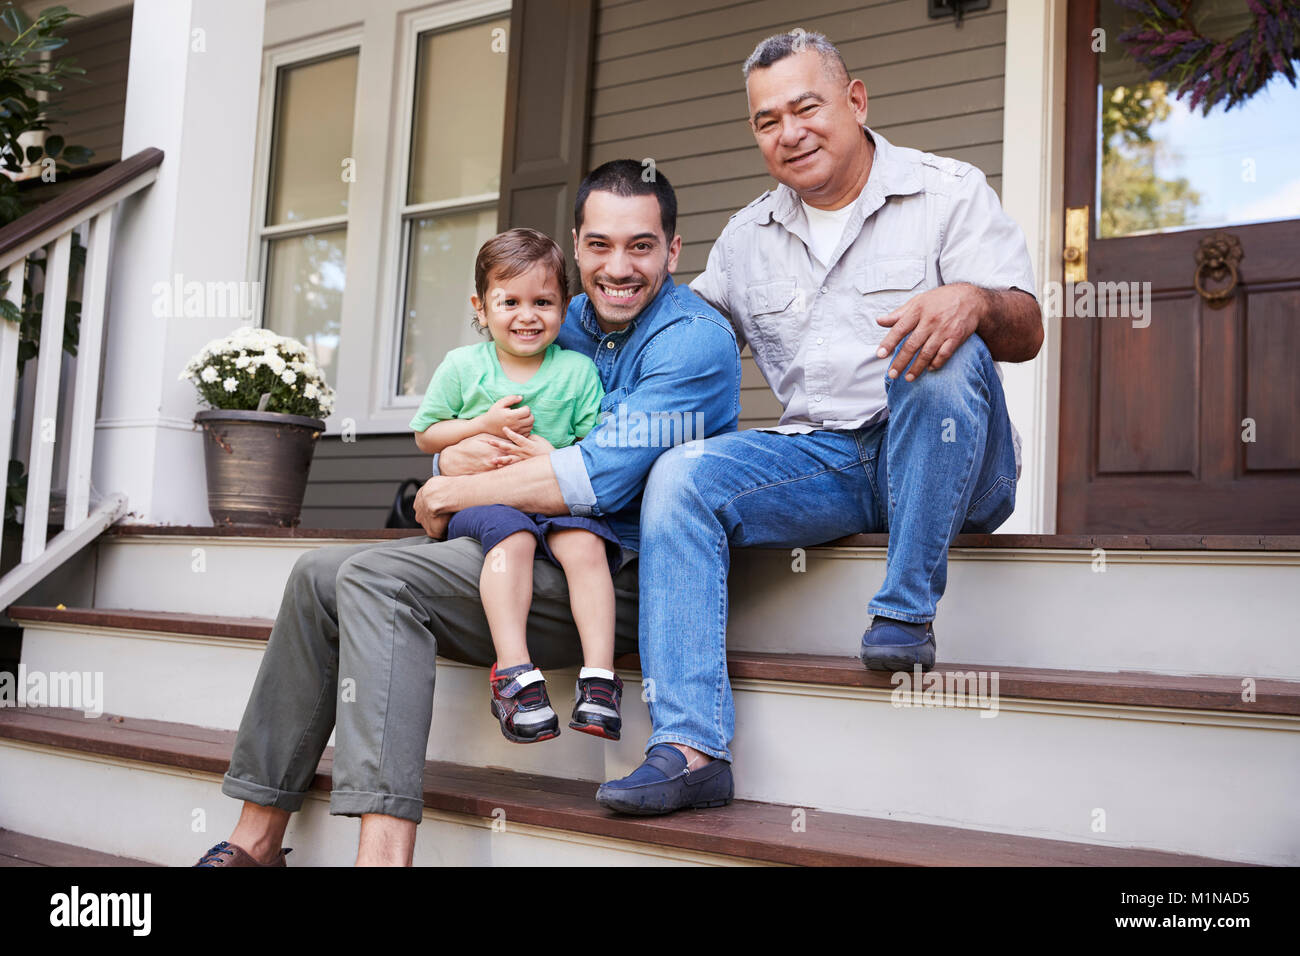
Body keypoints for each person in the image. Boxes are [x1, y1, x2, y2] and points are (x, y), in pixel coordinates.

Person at [195, 160, 739, 866]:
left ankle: (384, 855)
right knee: (314, 575)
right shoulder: (559, 314)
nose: (619, 266)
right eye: (600, 245)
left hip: (610, 572)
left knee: (374, 581)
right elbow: (487, 416)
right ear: (576, 247)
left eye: (640, 245)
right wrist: (448, 465)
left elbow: (594, 479)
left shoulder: (690, 341)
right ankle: (256, 838)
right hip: (515, 546)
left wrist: (446, 493)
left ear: (673, 248)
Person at [588, 30, 1044, 816]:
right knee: (680, 477)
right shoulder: (746, 237)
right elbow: (685, 342)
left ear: (856, 101)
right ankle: (692, 748)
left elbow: (1028, 328)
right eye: (768, 120)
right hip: (827, 461)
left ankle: (904, 611)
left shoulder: (948, 190)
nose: (790, 132)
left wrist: (971, 300)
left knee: (937, 349)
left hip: (954, 459)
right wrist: (545, 346)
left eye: (807, 107)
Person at [410, 227, 625, 744]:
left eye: (543, 301)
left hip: (548, 492)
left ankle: (598, 678)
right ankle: (514, 674)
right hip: (483, 497)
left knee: (587, 542)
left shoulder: (576, 372)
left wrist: (555, 454)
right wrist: (479, 426)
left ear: (565, 306)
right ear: (481, 308)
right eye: (510, 301)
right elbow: (426, 434)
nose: (527, 315)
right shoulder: (464, 367)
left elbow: (590, 443)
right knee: (512, 540)